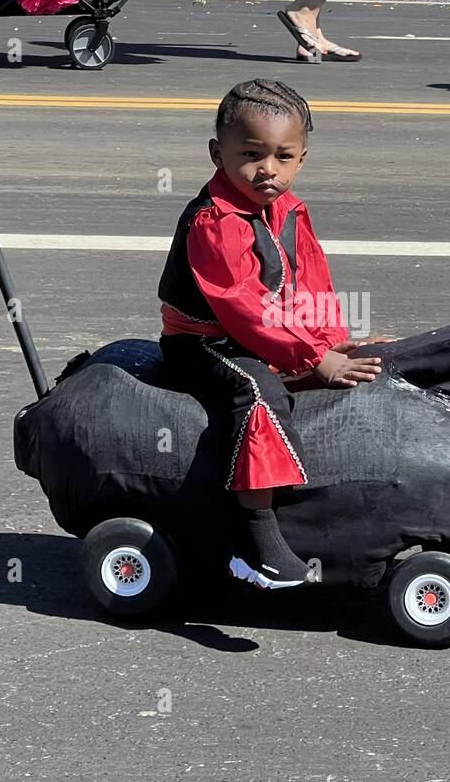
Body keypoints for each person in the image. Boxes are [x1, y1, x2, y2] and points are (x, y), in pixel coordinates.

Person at [157, 80, 384, 589]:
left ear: (302, 157)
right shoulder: (214, 221)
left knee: (366, 360)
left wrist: (331, 341)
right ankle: (257, 538)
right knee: (257, 393)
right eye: (252, 155)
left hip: (264, 334)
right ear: (218, 153)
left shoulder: (288, 210)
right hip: (205, 342)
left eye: (283, 157)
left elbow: (313, 280)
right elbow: (246, 308)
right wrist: (312, 356)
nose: (268, 170)